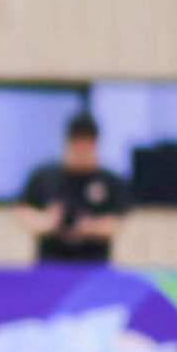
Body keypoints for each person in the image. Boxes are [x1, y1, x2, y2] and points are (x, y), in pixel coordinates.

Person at [17, 111, 130, 263]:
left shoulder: (109, 181)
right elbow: (23, 211)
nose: (81, 150)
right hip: (51, 262)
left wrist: (89, 226)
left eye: (86, 144)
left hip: (93, 264)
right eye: (77, 143)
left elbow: (117, 222)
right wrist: (47, 222)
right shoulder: (44, 177)